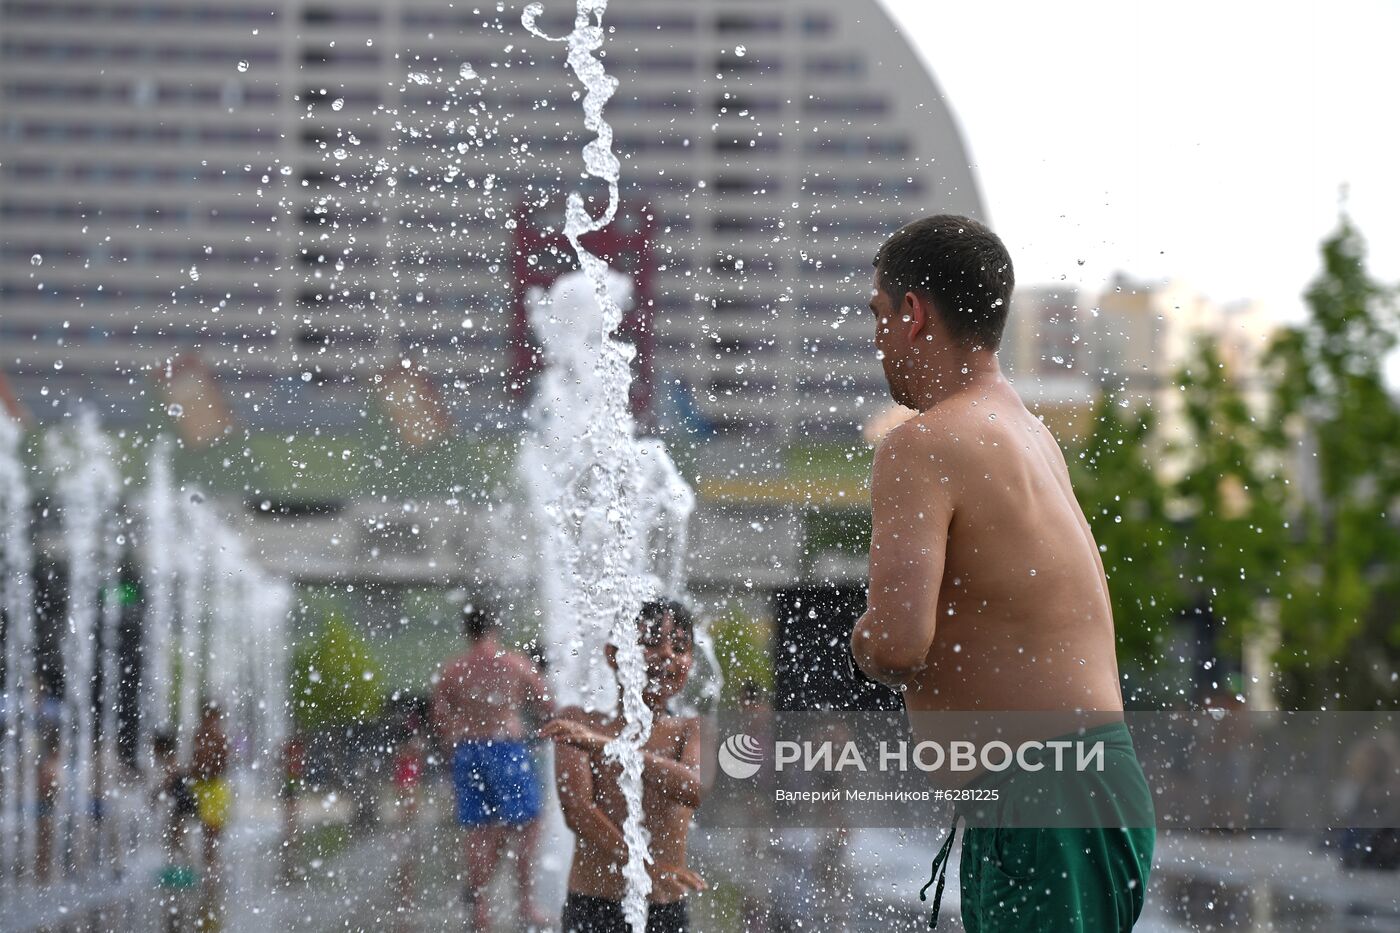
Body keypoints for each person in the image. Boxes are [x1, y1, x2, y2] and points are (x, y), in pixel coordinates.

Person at [850, 215, 1155, 931]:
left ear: (913, 313)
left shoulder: (921, 445)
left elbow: (897, 644)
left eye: (878, 316)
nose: (877, 340)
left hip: (1043, 796)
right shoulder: (1028, 432)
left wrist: (861, 638)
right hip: (1091, 782)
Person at [542, 599, 708, 933]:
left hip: (664, 907)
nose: (666, 656)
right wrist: (645, 867)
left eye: (679, 647)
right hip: (593, 906)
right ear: (614, 654)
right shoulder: (579, 722)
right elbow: (576, 811)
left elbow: (694, 788)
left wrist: (609, 748)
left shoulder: (692, 730)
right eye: (649, 644)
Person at [431, 600, 554, 931]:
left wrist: (452, 749)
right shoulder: (514, 664)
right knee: (528, 826)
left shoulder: (453, 669)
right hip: (506, 748)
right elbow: (546, 704)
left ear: (466, 631)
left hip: (468, 750)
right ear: (496, 628)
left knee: (478, 831)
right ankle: (526, 904)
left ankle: (481, 910)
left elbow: (439, 716)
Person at [190, 701, 231, 876]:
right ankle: (207, 859)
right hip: (201, 785)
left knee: (214, 828)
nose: (211, 722)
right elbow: (194, 760)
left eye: (214, 718)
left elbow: (224, 763)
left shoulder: (220, 738)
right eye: (208, 718)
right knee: (206, 826)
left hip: (215, 785)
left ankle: (211, 859)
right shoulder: (198, 736)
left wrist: (215, 761)